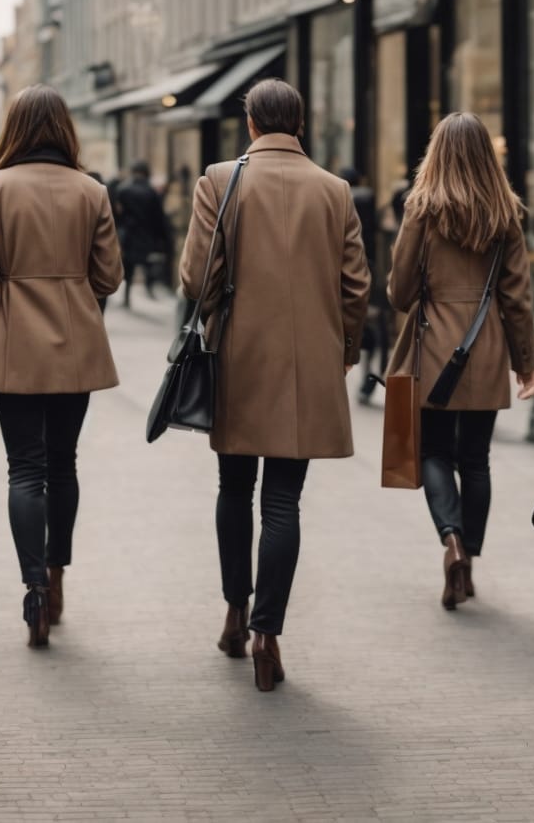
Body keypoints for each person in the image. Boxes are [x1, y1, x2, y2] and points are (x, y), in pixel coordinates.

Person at [180, 79, 370, 692]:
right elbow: (356, 285)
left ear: (251, 123)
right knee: (284, 502)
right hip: (309, 361)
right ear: (301, 123)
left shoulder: (220, 180)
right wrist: (344, 350)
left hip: (239, 356)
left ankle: (236, 613)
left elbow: (197, 277)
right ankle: (268, 635)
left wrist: (220, 318)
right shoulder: (334, 189)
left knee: (234, 489)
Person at [0, 87, 122, 648]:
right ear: (64, 128)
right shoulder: (91, 191)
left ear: (14, 128)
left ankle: (32, 591)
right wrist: (74, 292)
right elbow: (109, 276)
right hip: (75, 341)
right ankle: (56, 577)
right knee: (62, 463)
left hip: (13, 341)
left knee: (23, 469)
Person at [385, 114, 534, 610]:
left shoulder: (421, 209)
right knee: (476, 459)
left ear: (437, 154)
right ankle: (468, 555)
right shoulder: (505, 213)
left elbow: (400, 292)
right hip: (486, 345)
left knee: (433, 452)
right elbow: (517, 298)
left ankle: (449, 539)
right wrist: (526, 361)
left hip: (434, 346)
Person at [341, 167, 388, 403]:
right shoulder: (366, 198)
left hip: (345, 268)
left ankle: (364, 374)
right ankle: (369, 376)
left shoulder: (341, 198)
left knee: (360, 325)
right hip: (369, 266)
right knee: (372, 323)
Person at [113, 160, 172, 307]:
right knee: (148, 263)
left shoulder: (123, 190)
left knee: (128, 265)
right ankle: (149, 289)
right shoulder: (151, 192)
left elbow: (117, 215)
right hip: (146, 234)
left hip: (128, 234)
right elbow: (158, 217)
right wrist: (163, 237)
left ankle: (127, 296)